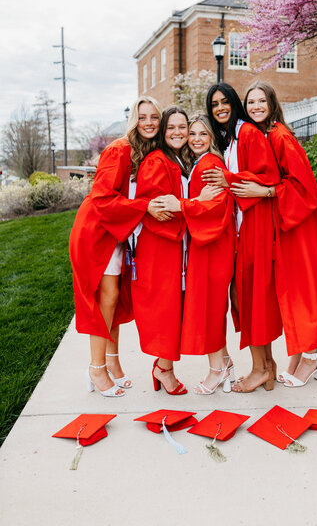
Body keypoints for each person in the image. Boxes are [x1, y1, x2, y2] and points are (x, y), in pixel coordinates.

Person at [236, 81, 317, 387]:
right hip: (286, 223)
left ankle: (310, 359)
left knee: (303, 289)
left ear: (271, 104)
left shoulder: (280, 136)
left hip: (300, 224)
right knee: (293, 290)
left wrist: (264, 191)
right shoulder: (263, 134)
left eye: (261, 101)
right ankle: (299, 355)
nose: (255, 106)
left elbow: (302, 188)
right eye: (250, 102)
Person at [69, 96, 166, 397]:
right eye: (143, 117)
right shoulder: (119, 149)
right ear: (133, 120)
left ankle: (112, 361)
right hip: (97, 231)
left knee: (114, 299)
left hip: (118, 231)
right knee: (106, 298)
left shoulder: (147, 150)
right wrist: (145, 207)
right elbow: (102, 200)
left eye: (154, 117)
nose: (148, 122)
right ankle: (96, 368)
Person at [132, 107, 220, 395]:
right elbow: (160, 211)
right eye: (172, 127)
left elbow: (176, 204)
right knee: (167, 312)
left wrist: (191, 203)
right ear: (163, 131)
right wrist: (197, 203)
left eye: (184, 127)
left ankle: (164, 366)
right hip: (162, 248)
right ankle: (164, 369)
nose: (179, 132)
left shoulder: (179, 161)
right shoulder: (157, 161)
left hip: (176, 247)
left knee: (175, 311)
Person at [202, 83, 282, 392]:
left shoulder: (247, 133)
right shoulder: (231, 139)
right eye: (214, 104)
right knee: (247, 297)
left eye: (225, 102)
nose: (220, 107)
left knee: (249, 298)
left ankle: (260, 368)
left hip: (255, 224)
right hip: (242, 225)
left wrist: (228, 178)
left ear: (234, 103)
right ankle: (268, 366)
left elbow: (267, 177)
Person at [155, 114, 235, 394]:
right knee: (210, 307)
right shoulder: (199, 164)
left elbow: (215, 208)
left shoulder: (210, 165)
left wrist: (182, 205)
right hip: (205, 247)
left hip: (214, 247)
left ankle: (218, 369)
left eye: (203, 134)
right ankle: (224, 364)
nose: (197, 138)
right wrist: (192, 203)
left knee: (211, 308)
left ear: (212, 138)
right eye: (193, 133)